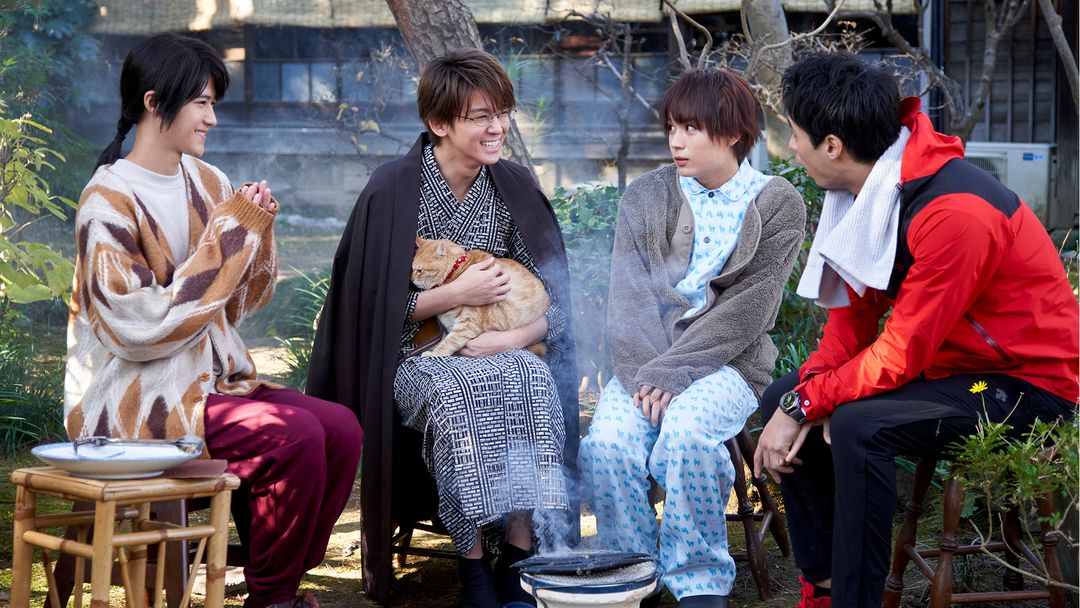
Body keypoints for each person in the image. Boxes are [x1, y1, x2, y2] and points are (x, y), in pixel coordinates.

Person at [752, 51, 1080, 608]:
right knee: (781, 395)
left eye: (794, 132)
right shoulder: (873, 189)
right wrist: (801, 396)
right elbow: (852, 320)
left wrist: (810, 406)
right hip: (952, 369)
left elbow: (899, 353)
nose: (791, 146)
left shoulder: (954, 212)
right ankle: (826, 587)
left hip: (1028, 386)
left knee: (859, 424)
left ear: (832, 145)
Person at [65, 33, 363, 608]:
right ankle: (274, 598)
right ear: (155, 103)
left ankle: (276, 575)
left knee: (341, 429)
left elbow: (238, 305)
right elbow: (138, 328)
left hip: (209, 380)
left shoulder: (210, 183)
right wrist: (230, 237)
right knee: (293, 437)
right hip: (135, 394)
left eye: (212, 104)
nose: (212, 119)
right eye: (201, 103)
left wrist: (257, 230)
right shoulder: (106, 200)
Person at [306, 49, 578, 608]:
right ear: (439, 123)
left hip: (498, 341)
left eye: (502, 113)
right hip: (413, 359)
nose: (497, 127)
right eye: (481, 116)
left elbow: (559, 303)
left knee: (530, 379)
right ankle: (473, 557)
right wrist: (454, 295)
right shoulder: (393, 191)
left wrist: (511, 339)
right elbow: (365, 312)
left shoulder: (513, 189)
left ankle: (521, 551)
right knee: (457, 392)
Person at [578, 69, 805, 608]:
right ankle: (629, 572)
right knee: (607, 444)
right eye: (672, 127)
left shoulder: (776, 202)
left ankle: (698, 580)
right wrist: (648, 374)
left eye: (692, 128)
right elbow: (627, 301)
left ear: (731, 133)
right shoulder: (647, 195)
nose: (677, 141)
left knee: (686, 432)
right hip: (644, 365)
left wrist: (674, 376)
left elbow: (750, 309)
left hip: (729, 365)